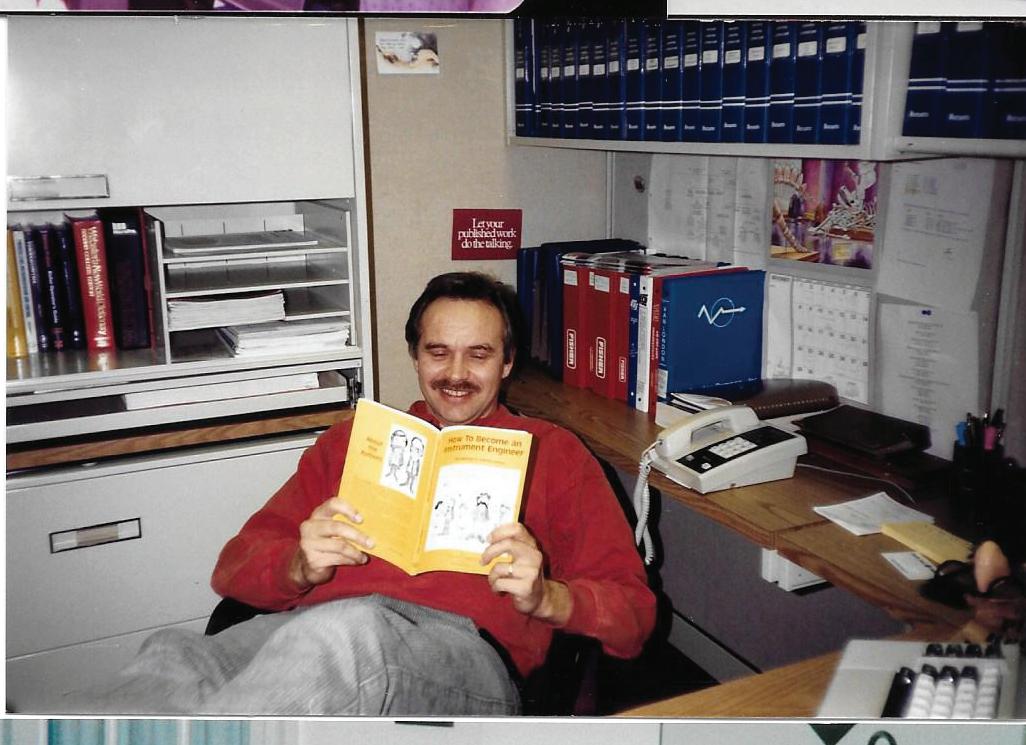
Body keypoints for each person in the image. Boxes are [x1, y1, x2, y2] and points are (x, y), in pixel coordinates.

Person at [70, 271, 655, 716]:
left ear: (506, 364)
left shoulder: (557, 454)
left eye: (478, 354)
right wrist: (298, 566)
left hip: (459, 654)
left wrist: (548, 598)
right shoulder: (357, 441)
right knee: (174, 656)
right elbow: (232, 570)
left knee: (344, 638)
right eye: (438, 352)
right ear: (415, 356)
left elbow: (635, 617)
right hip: (311, 631)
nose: (456, 373)